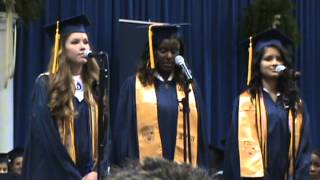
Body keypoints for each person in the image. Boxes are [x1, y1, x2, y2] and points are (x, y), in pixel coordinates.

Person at [110, 23, 209, 169]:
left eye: (174, 51)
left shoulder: (190, 88)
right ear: (152, 51)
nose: (169, 56)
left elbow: (201, 137)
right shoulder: (133, 86)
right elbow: (122, 135)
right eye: (163, 50)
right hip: (143, 173)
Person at [223, 28, 311, 179]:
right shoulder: (245, 102)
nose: (274, 63)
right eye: (268, 58)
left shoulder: (294, 102)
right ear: (258, 63)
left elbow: (304, 149)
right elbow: (236, 152)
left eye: (279, 59)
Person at [22, 15, 100, 180]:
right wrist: (74, 176)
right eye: (75, 42)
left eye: (85, 42)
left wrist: (96, 171)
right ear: (61, 48)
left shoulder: (95, 87)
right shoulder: (45, 84)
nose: (82, 47)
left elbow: (106, 136)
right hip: (57, 175)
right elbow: (46, 139)